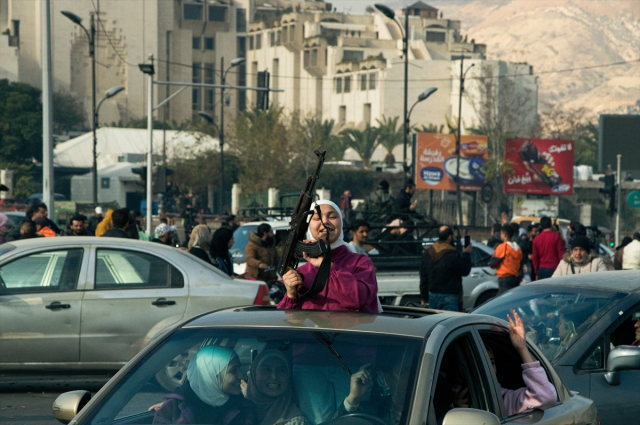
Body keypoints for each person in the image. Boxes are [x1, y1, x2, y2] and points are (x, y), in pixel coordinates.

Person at [279, 200, 379, 313]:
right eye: (317, 218)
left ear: (341, 223)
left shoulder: (361, 262)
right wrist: (291, 295)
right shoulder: (300, 273)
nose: (325, 221)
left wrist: (327, 266)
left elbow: (359, 299)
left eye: (332, 217)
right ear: (308, 226)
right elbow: (286, 321)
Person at [152, 346, 255, 425]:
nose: (241, 376)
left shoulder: (244, 409)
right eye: (234, 370)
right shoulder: (173, 406)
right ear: (211, 375)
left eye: (239, 369)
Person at [483, 311, 557, 416]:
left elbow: (545, 396)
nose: (487, 368)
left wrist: (522, 348)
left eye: (491, 362)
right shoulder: (452, 402)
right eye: (484, 362)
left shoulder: (503, 399)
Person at [243, 350, 309, 425]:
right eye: (267, 369)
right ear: (253, 375)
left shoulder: (296, 421)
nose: (274, 376)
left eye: (281, 370)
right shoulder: (237, 411)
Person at [419, 226, 472, 311]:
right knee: (450, 323)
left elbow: (423, 277)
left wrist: (424, 298)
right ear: (449, 237)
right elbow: (465, 270)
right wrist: (466, 254)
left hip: (433, 295)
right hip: (450, 295)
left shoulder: (428, 253)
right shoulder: (452, 254)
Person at [490, 225, 523, 294]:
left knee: (502, 299)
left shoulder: (502, 247)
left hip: (504, 278)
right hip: (515, 277)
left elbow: (492, 264)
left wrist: (492, 257)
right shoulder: (518, 248)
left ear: (504, 233)